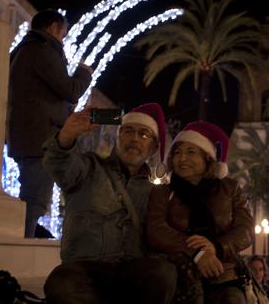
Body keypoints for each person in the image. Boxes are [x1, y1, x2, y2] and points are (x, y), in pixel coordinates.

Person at [42, 103, 176, 304]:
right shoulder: (89, 167)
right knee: (61, 284)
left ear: (154, 147)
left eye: (144, 134)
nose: (134, 139)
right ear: (118, 136)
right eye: (128, 131)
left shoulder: (156, 192)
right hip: (84, 270)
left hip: (131, 273)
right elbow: (59, 163)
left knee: (162, 272)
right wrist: (66, 136)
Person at [146, 120, 254, 304]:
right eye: (177, 153)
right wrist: (197, 251)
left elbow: (245, 229)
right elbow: (156, 229)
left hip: (223, 272)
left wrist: (216, 247)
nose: (182, 159)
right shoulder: (162, 192)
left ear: (207, 158)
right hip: (179, 273)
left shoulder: (230, 189)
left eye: (190, 152)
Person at [7, 9, 93, 238]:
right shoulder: (42, 51)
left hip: (27, 137)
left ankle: (24, 241)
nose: (63, 39)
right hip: (40, 140)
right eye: (63, 33)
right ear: (54, 27)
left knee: (33, 197)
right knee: (34, 199)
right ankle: (20, 248)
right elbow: (70, 90)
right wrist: (84, 73)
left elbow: (46, 95)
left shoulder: (24, 51)